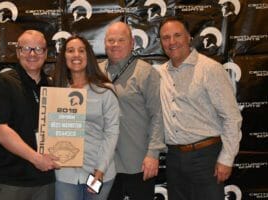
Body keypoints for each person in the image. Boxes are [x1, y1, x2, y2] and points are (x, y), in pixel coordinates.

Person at [158, 16, 242, 200]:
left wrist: (227, 159)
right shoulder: (160, 73)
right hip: (173, 158)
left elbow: (231, 117)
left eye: (177, 35)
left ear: (189, 37)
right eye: (166, 37)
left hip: (206, 158)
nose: (172, 42)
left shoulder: (210, 69)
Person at [0, 30, 59, 200]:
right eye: (26, 48)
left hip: (45, 182)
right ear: (18, 52)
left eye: (38, 49)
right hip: (10, 182)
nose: (32, 54)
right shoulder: (2, 82)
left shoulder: (53, 88)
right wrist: (36, 158)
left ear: (46, 53)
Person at [99, 21, 165, 200]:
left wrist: (153, 154)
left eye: (121, 40)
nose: (115, 44)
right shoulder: (96, 73)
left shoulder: (146, 73)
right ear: (104, 43)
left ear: (132, 43)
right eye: (111, 40)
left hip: (138, 163)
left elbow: (158, 116)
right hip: (104, 164)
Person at [53, 35, 120, 200]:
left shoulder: (105, 90)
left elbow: (112, 132)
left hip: (97, 171)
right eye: (70, 50)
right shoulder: (56, 91)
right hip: (65, 173)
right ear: (64, 57)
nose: (76, 55)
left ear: (88, 56)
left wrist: (100, 169)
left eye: (81, 50)